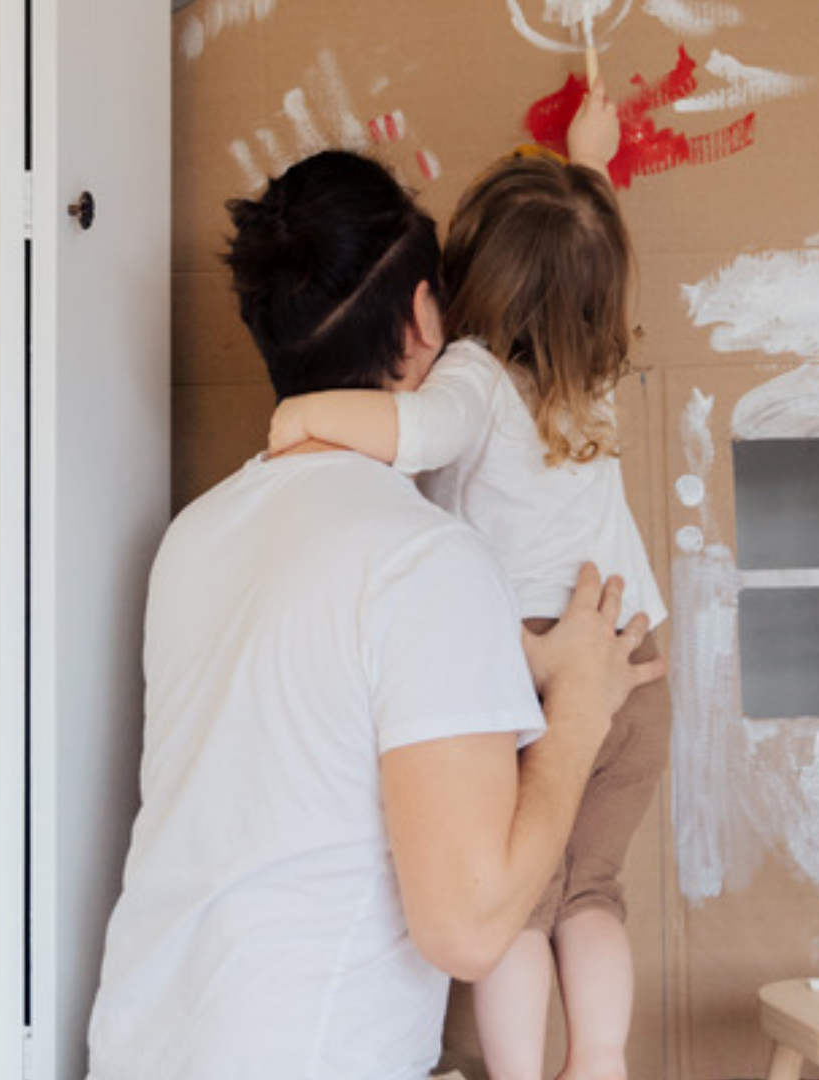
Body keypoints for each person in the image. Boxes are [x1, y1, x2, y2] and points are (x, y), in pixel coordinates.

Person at [83, 147, 665, 1080]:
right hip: (312, 1060)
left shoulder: (193, 538)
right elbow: (473, 926)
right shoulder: (426, 562)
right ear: (425, 318)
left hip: (142, 1050)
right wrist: (583, 704)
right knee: (573, 902)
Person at [266, 81, 671, 1080]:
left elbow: (406, 434)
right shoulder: (597, 369)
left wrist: (301, 419)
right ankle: (606, 1059)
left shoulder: (474, 379)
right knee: (594, 893)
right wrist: (592, 165)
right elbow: (585, 248)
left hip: (530, 673)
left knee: (522, 904)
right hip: (634, 661)